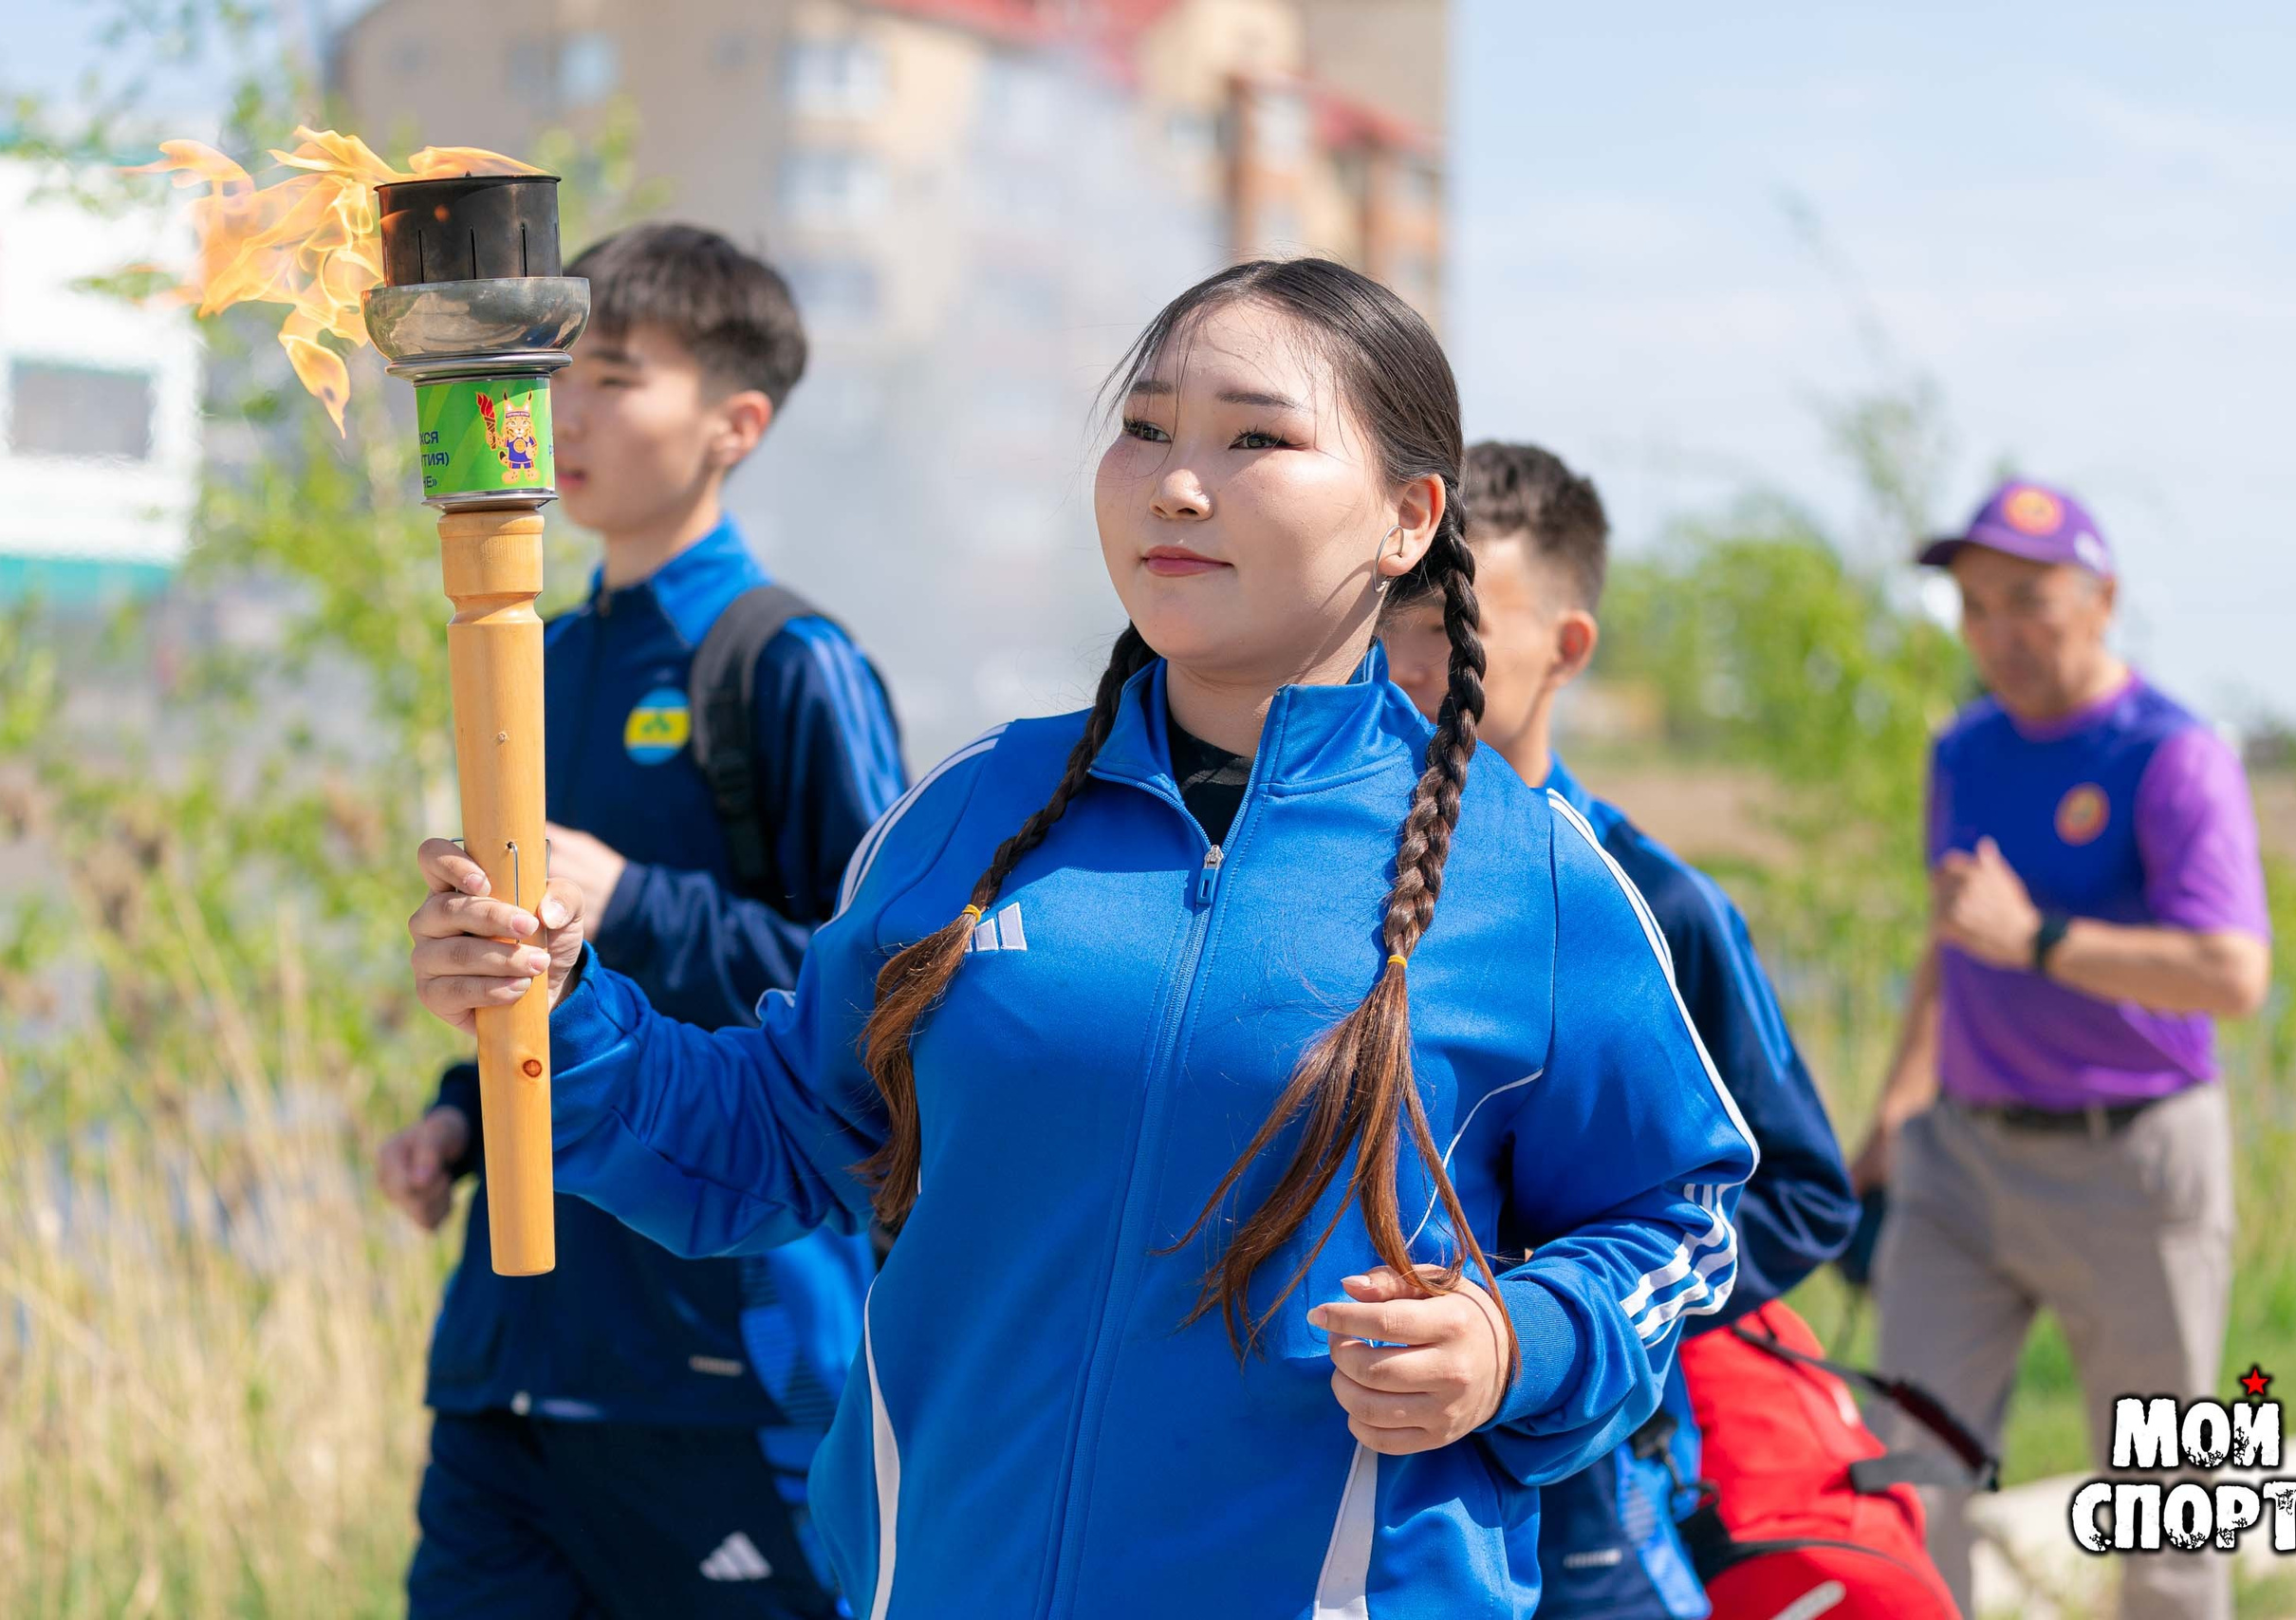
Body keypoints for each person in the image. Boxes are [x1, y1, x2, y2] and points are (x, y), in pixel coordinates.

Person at [404, 258, 1758, 1618]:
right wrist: (556, 1006)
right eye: (1147, 428)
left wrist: (1517, 1341)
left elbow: (1677, 1217)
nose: (1177, 483)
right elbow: (771, 1137)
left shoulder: (1530, 878)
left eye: (1256, 439)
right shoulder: (974, 813)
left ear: (1408, 518)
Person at [373, 223, 905, 1620]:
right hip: (514, 1365)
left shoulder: (787, 663)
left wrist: (642, 902)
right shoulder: (530, 651)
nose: (568, 413)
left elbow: (893, 1000)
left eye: (616, 376)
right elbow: (533, 971)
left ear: (737, 423)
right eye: (558, 374)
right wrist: (455, 1117)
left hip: (723, 1368)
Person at [1386, 441, 1858, 1619]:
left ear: (1567, 647)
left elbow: (1800, 1194)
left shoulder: (1654, 903)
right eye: (1393, 622)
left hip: (1593, 1487)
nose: (1410, 664)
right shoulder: (1329, 880)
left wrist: (1558, 1316)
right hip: (1365, 1459)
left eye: (1453, 628)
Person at [1848, 480, 2269, 1620]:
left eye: (2027, 601)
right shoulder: (1964, 751)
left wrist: (2035, 939)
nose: (1998, 634)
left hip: (2134, 1165)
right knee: (1908, 1474)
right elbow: (1953, 938)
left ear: (2102, 601)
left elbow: (2232, 973)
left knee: (2164, 1501)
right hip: (1960, 1168)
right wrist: (1893, 1110)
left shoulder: (2173, 754)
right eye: (1975, 607)